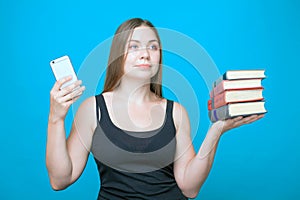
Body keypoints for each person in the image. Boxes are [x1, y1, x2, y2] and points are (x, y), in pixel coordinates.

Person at [46, 18, 264, 199]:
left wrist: (215, 131)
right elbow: (60, 180)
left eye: (153, 46)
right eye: (134, 46)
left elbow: (190, 187)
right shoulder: (93, 109)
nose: (145, 54)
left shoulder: (176, 112)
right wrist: (56, 118)